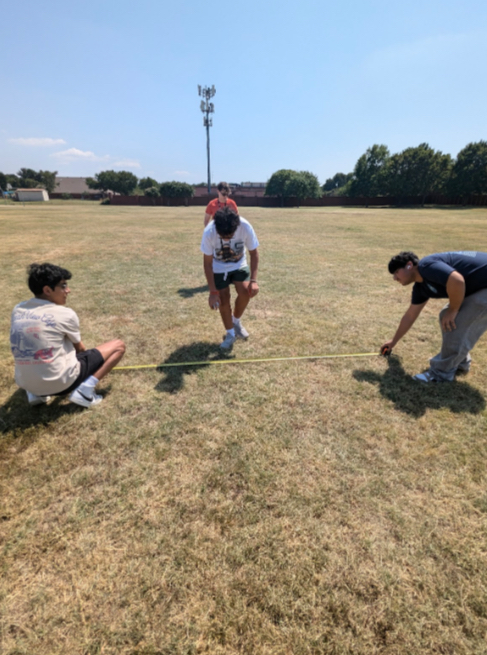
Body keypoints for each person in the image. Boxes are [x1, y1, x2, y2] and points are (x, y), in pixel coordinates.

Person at [10, 263, 126, 407]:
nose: (68, 290)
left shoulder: (18, 309)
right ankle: (84, 391)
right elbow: (80, 350)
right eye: (63, 286)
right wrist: (93, 364)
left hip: (25, 384)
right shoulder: (65, 314)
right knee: (118, 346)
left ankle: (36, 393)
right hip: (62, 385)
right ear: (47, 290)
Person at [381, 250, 487, 382]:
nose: (395, 278)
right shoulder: (421, 288)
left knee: (456, 320)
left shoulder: (426, 265)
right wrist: (393, 342)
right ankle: (459, 362)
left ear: (409, 265)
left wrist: (453, 310)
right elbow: (410, 316)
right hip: (481, 286)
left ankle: (440, 374)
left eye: (396, 272)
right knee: (446, 317)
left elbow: (457, 280)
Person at [201, 206, 259, 350]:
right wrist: (213, 292)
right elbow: (207, 264)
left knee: (246, 292)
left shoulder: (245, 226)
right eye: (223, 236)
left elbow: (254, 253)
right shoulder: (209, 231)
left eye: (230, 235)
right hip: (218, 267)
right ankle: (230, 333)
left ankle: (236, 322)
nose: (227, 239)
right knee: (223, 299)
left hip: (239, 263)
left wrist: (253, 280)